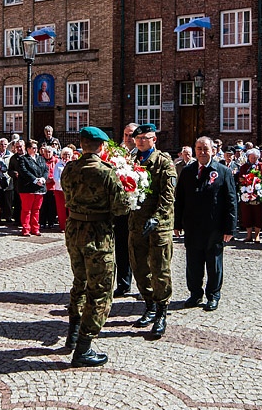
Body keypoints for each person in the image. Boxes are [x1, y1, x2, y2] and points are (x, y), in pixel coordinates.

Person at [60, 126, 131, 367]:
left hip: (74, 230)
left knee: (79, 282)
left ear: (82, 146)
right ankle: (83, 347)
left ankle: (72, 333)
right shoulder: (105, 172)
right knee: (100, 289)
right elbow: (121, 207)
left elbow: (67, 197)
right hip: (97, 234)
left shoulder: (69, 169)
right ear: (101, 147)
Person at [174, 137, 236, 311]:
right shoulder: (187, 171)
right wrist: (177, 223)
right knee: (193, 263)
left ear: (213, 150)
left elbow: (231, 200)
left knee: (214, 263)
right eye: (199, 148)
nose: (202, 152)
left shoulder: (223, 171)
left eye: (205, 149)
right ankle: (195, 294)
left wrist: (229, 227)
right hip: (192, 227)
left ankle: (213, 295)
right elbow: (180, 199)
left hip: (214, 227)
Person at [128, 123, 176, 338]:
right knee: (138, 267)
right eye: (138, 138)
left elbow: (168, 196)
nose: (140, 142)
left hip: (158, 225)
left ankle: (162, 312)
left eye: (145, 138)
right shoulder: (131, 161)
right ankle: (149, 305)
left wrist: (156, 218)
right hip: (136, 223)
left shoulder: (164, 163)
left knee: (160, 270)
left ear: (154, 140)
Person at [113, 123, 138, 297]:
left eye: (131, 135)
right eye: (125, 134)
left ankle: (144, 286)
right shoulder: (116, 155)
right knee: (121, 248)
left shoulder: (143, 155)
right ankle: (123, 284)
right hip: (121, 210)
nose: (128, 138)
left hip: (137, 210)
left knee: (139, 250)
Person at [236, 148, 262, 243]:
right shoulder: (244, 167)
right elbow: (240, 178)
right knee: (247, 213)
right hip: (246, 193)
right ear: (248, 157)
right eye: (251, 157)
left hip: (258, 193)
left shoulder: (261, 166)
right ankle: (248, 235)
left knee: (258, 214)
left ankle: (257, 235)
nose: (253, 159)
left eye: (255, 157)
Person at [17, 140, 48, 236]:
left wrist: (43, 179)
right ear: (28, 149)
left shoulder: (41, 159)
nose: (35, 150)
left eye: (36, 148)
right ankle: (26, 228)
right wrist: (35, 180)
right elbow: (24, 171)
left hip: (40, 189)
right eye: (33, 148)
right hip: (28, 188)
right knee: (27, 209)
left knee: (36, 209)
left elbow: (46, 169)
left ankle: (35, 228)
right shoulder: (23, 159)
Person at [53, 147, 73, 231]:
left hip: (71, 190)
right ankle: (63, 226)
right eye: (65, 154)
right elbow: (55, 177)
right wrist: (63, 185)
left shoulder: (73, 164)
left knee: (70, 208)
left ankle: (71, 226)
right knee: (61, 209)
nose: (66, 156)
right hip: (59, 189)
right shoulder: (58, 164)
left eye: (68, 154)